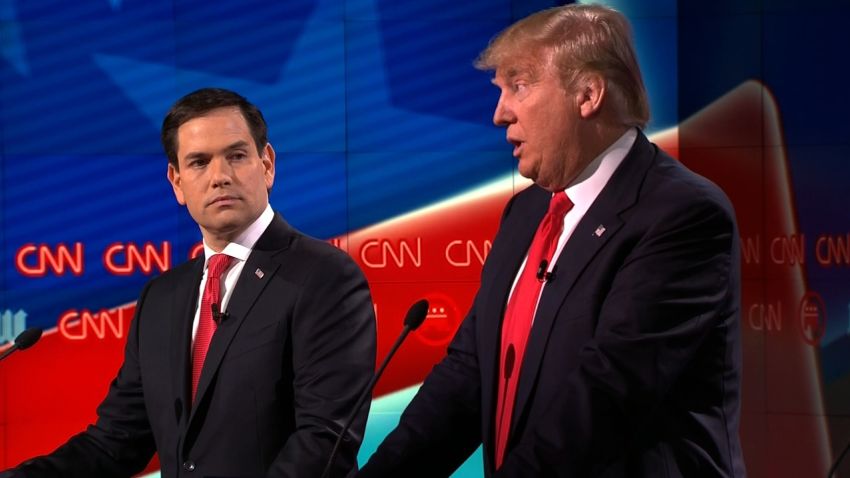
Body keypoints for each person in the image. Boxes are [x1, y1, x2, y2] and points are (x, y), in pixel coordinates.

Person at [359, 4, 745, 477]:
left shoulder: (681, 213)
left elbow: (605, 397)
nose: (499, 114)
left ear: (588, 94)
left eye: (519, 86)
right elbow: (468, 374)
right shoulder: (525, 213)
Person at [3, 88, 376, 477]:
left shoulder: (323, 276)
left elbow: (324, 440)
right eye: (199, 162)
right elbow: (113, 443)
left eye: (236, 156)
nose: (220, 177)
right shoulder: (162, 298)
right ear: (177, 182)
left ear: (266, 164)